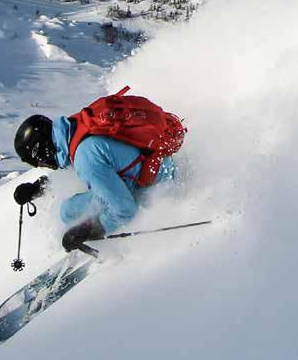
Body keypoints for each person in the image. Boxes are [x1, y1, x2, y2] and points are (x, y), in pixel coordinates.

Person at [12, 87, 184, 253]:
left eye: (39, 162)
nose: (44, 165)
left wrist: (87, 230)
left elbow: (124, 209)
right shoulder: (75, 129)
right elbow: (81, 168)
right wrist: (37, 188)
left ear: (43, 150)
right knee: (70, 208)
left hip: (154, 188)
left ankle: (112, 250)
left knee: (68, 212)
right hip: (159, 166)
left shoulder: (85, 156)